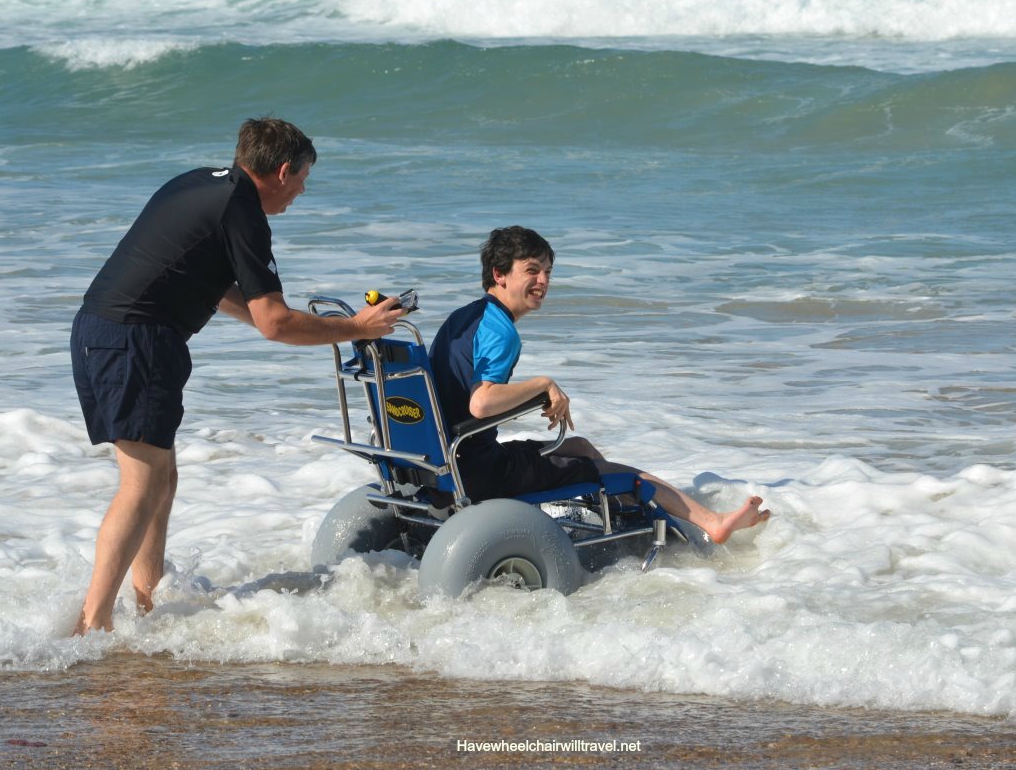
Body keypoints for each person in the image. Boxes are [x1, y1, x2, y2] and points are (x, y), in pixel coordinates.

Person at [70, 117, 408, 634]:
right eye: (302, 179)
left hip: (102, 330)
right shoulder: (243, 211)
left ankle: (146, 600)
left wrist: (297, 321)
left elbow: (212, 287)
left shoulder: (200, 184)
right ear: (282, 170)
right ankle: (93, 623)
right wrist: (356, 328)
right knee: (141, 485)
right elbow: (275, 324)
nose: (301, 191)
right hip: (136, 342)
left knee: (161, 479)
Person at [428, 226, 769, 544]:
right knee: (624, 474)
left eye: (548, 272)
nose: (543, 281)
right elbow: (481, 403)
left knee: (581, 448)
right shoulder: (501, 331)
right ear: (499, 274)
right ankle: (711, 522)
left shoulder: (463, 319)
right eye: (532, 270)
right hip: (481, 472)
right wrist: (543, 385)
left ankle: (629, 522)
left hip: (448, 463)